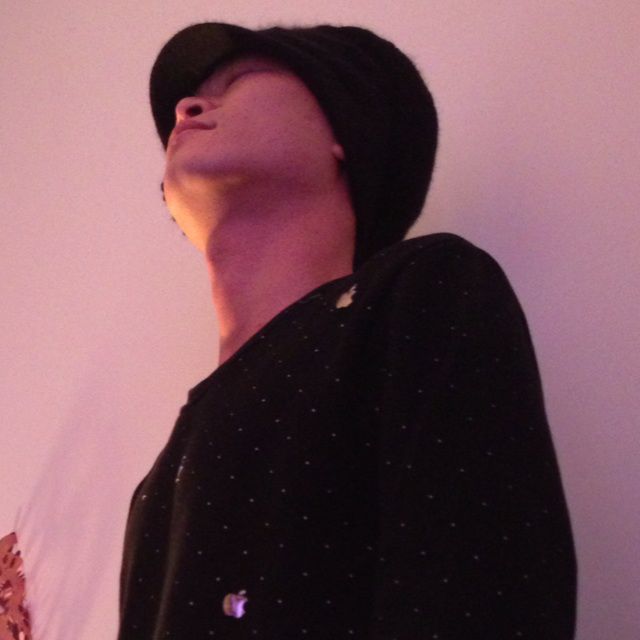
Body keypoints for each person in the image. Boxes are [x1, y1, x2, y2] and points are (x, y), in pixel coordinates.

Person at [118, 22, 577, 639]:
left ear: (347, 130)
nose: (187, 107)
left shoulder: (421, 293)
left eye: (242, 79)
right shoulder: (157, 485)